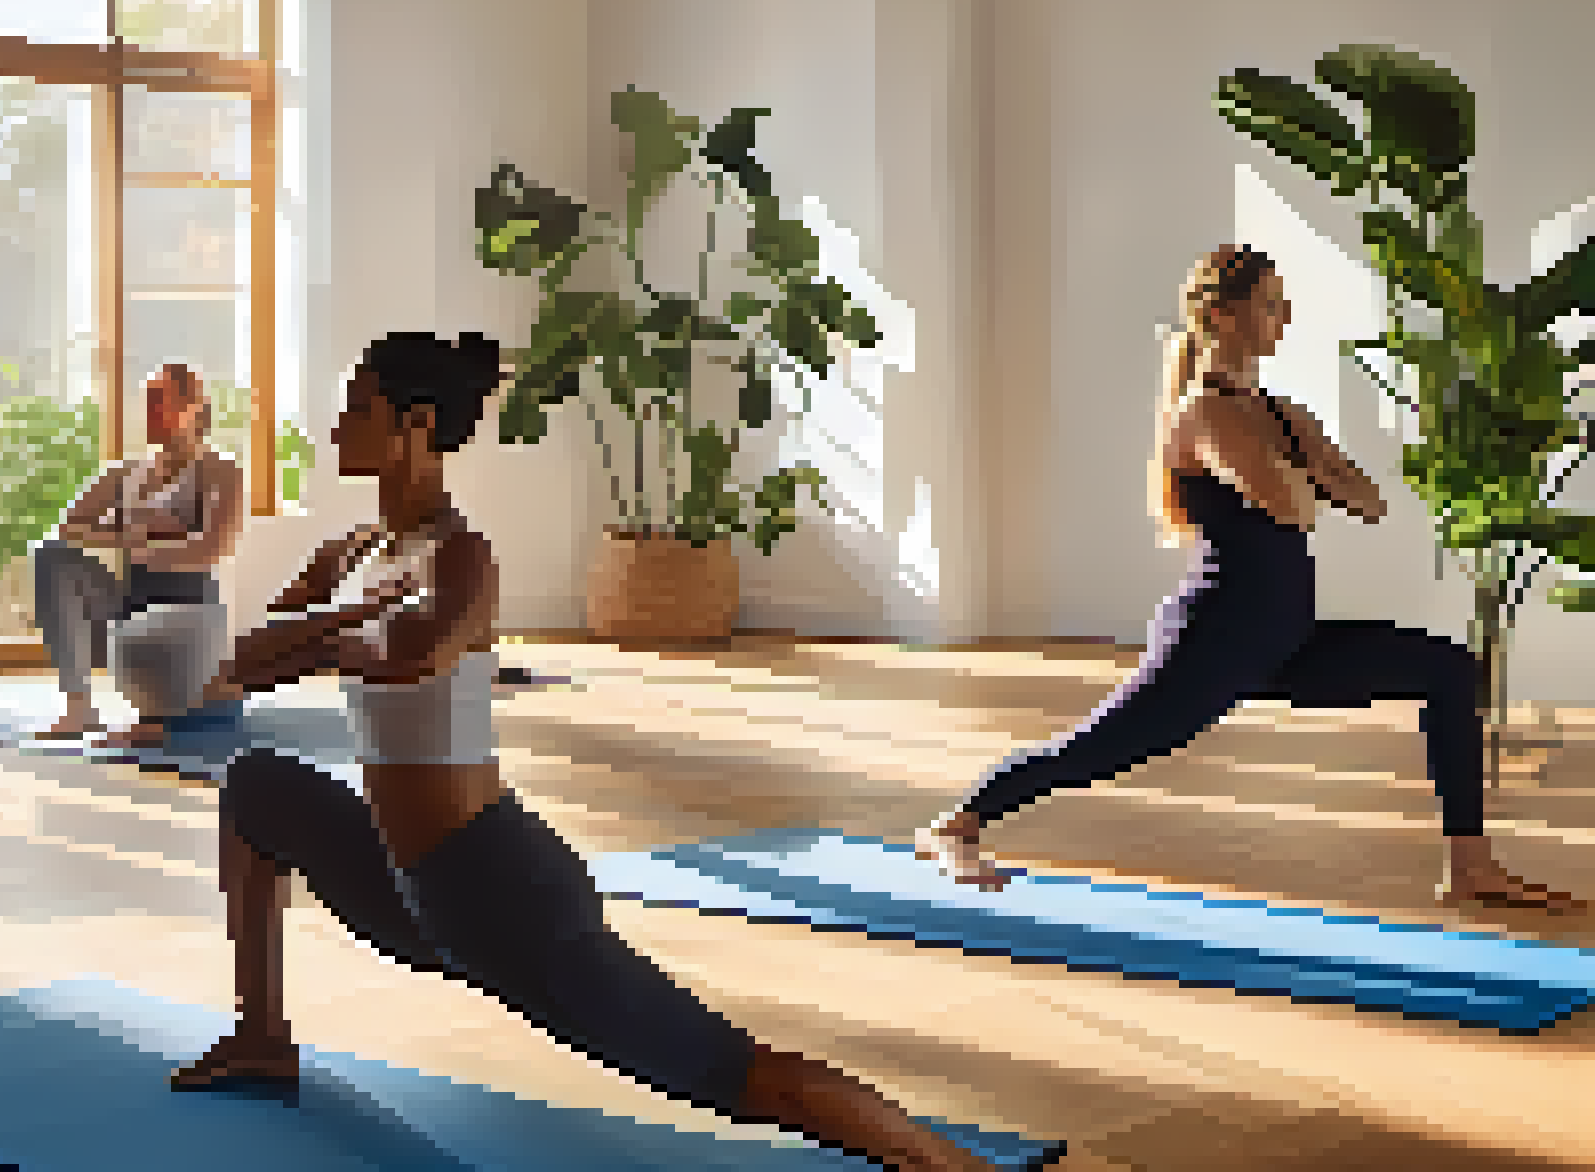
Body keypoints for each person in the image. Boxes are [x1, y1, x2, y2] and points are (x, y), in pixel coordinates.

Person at [169, 332, 1002, 1172]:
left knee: (732, 1074)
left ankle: (949, 1164)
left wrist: (322, 640)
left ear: (417, 425)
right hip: (402, 886)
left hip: (497, 891)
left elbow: (411, 656)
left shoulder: (463, 556)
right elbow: (234, 664)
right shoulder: (349, 556)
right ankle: (261, 1034)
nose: (338, 424)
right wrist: (348, 618)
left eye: (359, 408)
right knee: (254, 784)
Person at [916, 245, 1581, 914]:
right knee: (1100, 748)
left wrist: (1301, 462)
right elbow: (1295, 505)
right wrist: (1308, 461)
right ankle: (955, 825)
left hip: (1285, 635)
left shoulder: (1273, 410)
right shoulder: (1206, 413)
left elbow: (1370, 502)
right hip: (1217, 637)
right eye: (1270, 302)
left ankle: (1469, 866)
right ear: (1221, 315)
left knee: (1449, 669)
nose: (1284, 315)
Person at [33, 362, 245, 748]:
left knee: (188, 717)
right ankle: (80, 706)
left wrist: (134, 538)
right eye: (147, 400)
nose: (149, 411)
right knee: (52, 556)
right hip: (128, 607)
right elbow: (68, 528)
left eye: (160, 400)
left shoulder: (221, 470)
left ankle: (175, 709)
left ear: (193, 407)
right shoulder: (125, 473)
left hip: (188, 616)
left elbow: (213, 549)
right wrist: (141, 531)